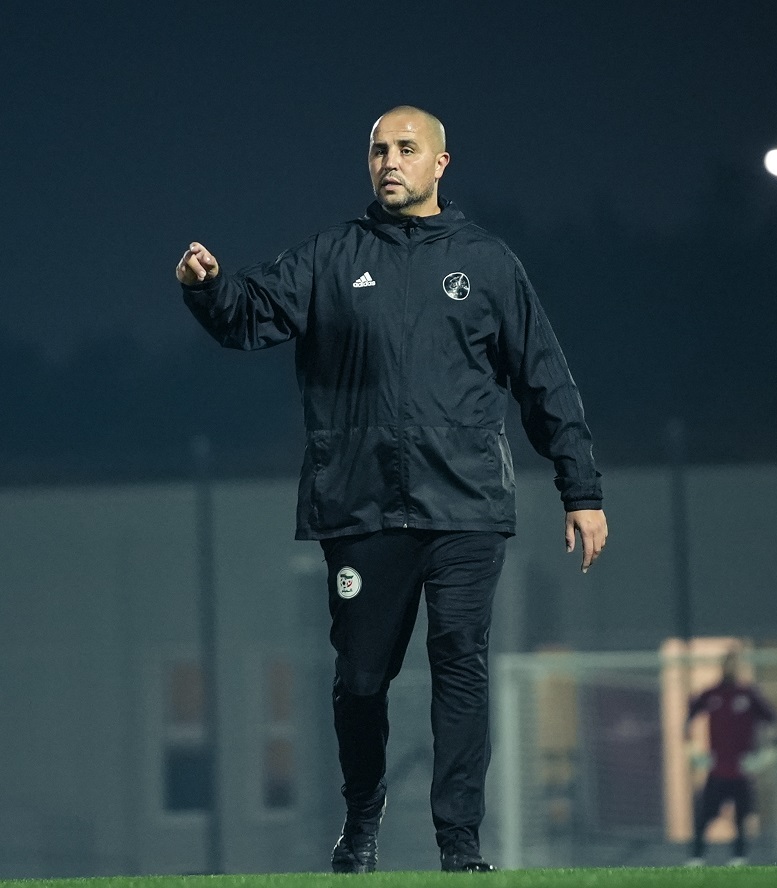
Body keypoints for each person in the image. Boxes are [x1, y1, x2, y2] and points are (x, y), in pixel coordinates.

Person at [176, 106, 607, 873]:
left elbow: (544, 379)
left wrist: (581, 489)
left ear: (440, 163)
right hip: (360, 506)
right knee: (360, 679)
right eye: (378, 150)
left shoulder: (487, 263)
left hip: (465, 505)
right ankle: (361, 819)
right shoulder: (330, 256)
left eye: (406, 149)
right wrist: (207, 288)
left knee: (460, 661)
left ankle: (459, 844)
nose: (389, 161)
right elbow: (249, 316)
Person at [684, 649, 777, 867]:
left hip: (741, 770)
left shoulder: (748, 694)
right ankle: (696, 858)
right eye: (728, 663)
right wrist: (691, 750)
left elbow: (773, 721)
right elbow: (688, 720)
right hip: (717, 769)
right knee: (705, 815)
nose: (731, 668)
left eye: (735, 664)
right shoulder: (711, 694)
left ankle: (739, 858)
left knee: (741, 817)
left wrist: (767, 755)